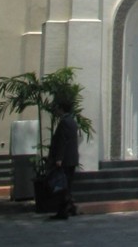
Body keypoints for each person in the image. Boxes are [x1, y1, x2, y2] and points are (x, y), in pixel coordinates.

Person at [47, 92, 80, 220]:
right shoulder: (72, 121)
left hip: (65, 160)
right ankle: (71, 207)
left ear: (61, 109)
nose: (56, 111)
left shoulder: (64, 122)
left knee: (62, 187)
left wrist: (59, 158)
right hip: (72, 159)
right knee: (67, 185)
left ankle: (63, 211)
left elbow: (62, 141)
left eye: (58, 108)